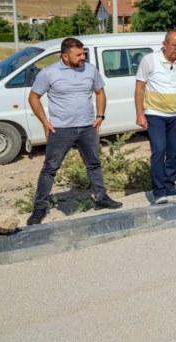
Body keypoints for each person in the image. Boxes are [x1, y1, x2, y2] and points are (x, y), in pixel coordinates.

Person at [26, 37, 122, 225]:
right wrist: (45, 123)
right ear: (64, 55)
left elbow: (100, 92)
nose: (82, 57)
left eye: (83, 53)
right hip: (61, 129)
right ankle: (39, 208)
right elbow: (33, 97)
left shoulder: (91, 69)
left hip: (87, 127)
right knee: (50, 168)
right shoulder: (49, 73)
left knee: (93, 164)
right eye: (78, 54)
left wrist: (100, 116)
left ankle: (101, 197)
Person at [135, 30, 176, 204]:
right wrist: (140, 113)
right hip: (155, 114)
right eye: (175, 45)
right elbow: (139, 88)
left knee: (174, 152)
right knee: (159, 150)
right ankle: (159, 191)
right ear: (165, 44)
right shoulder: (149, 60)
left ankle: (170, 187)